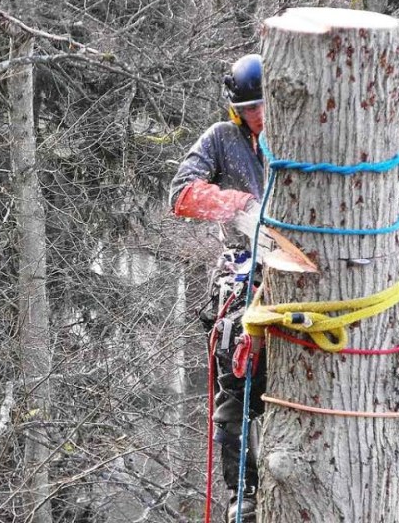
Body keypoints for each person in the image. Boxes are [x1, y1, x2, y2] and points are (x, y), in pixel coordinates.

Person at [169, 54, 268, 522]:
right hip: (243, 270)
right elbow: (182, 193)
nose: (260, 116)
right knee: (234, 360)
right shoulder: (222, 140)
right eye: (251, 109)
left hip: (300, 267)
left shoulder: (301, 141)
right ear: (236, 109)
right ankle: (242, 491)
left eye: (265, 106)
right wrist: (237, 204)